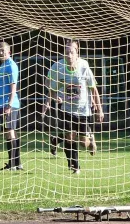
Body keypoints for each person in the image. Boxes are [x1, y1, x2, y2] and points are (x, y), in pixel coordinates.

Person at [42, 40, 104, 174]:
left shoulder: (84, 66)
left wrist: (100, 110)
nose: (69, 55)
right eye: (66, 52)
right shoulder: (59, 68)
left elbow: (94, 89)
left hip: (83, 110)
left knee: (83, 142)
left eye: (72, 52)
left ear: (77, 54)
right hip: (67, 110)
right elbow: (51, 88)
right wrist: (53, 98)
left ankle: (90, 139)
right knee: (69, 138)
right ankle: (75, 166)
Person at [0, 42, 22, 170]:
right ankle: (16, 163)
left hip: (9, 104)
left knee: (10, 132)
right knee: (10, 132)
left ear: (9, 52)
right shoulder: (3, 65)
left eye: (3, 50)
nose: (1, 53)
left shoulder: (11, 66)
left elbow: (13, 86)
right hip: (3, 103)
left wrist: (9, 104)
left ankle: (13, 164)